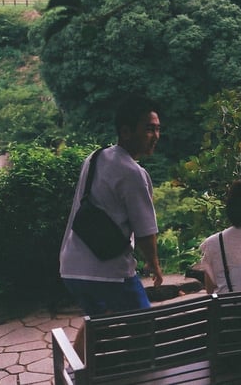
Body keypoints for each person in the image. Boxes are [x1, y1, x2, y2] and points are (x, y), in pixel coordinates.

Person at [59, 94, 164, 317]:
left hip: (72, 269)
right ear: (126, 131)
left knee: (97, 328)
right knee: (147, 331)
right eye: (148, 129)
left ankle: (78, 353)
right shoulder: (133, 173)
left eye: (157, 129)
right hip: (109, 273)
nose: (155, 136)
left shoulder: (95, 157)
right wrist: (154, 265)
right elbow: (145, 231)